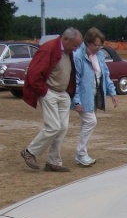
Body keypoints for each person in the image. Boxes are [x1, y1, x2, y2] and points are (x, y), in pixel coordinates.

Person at [20, 27, 83, 172]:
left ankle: (53, 161)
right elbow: (34, 74)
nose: (76, 49)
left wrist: (68, 93)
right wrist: (44, 91)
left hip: (62, 93)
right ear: (65, 39)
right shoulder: (48, 49)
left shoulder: (67, 52)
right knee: (53, 126)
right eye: (74, 45)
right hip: (49, 92)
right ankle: (30, 152)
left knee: (62, 128)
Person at [71, 27, 118, 166]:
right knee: (91, 122)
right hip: (84, 97)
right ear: (88, 42)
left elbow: (105, 76)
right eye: (97, 45)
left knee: (87, 124)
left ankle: (83, 153)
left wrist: (113, 93)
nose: (99, 48)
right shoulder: (78, 56)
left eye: (101, 45)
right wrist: (77, 101)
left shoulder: (99, 56)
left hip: (95, 95)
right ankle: (81, 154)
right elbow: (76, 80)